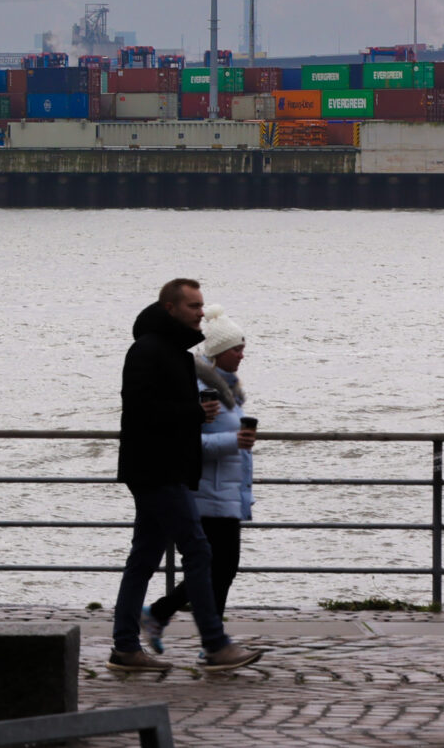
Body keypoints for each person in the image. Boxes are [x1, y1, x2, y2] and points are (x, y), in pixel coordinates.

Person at [107, 277, 259, 672]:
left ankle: (125, 647)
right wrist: (196, 413)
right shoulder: (147, 351)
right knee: (199, 550)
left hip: (164, 468)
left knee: (143, 559)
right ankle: (214, 644)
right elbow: (141, 413)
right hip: (157, 470)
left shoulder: (171, 351)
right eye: (193, 306)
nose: (201, 313)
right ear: (171, 308)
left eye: (202, 305)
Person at [143, 307, 254, 652]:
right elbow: (189, 443)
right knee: (214, 566)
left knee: (223, 568)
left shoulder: (232, 391)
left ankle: (181, 625)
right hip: (205, 493)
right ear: (218, 352)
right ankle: (207, 639)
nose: (242, 353)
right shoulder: (200, 389)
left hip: (228, 492)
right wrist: (233, 442)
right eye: (237, 347)